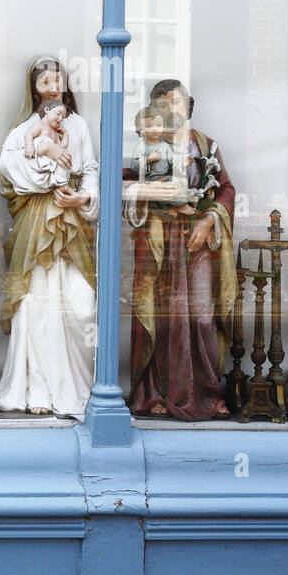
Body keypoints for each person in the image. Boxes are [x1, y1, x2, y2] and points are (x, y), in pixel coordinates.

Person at [0, 56, 99, 416]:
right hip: (37, 225)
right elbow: (10, 167)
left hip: (70, 225)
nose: (54, 88)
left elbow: (90, 170)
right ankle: (37, 389)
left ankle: (75, 387)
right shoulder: (26, 128)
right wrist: (44, 149)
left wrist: (84, 196)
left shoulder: (78, 125)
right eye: (45, 82)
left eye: (59, 81)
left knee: (79, 306)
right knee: (36, 305)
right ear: (33, 88)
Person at [122, 79, 237, 419]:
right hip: (158, 240)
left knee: (201, 317)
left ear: (189, 104)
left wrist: (209, 221)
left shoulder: (206, 145)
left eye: (177, 103)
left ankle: (207, 394)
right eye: (162, 106)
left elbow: (227, 189)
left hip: (199, 240)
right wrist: (152, 195)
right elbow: (126, 185)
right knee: (159, 318)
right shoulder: (148, 144)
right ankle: (153, 394)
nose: (171, 110)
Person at [130, 106, 192, 208]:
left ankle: (177, 205)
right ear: (141, 130)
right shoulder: (141, 146)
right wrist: (148, 159)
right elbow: (134, 166)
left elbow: (173, 161)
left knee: (180, 182)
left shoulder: (165, 145)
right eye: (149, 126)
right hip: (150, 181)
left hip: (165, 177)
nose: (155, 129)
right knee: (160, 190)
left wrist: (182, 163)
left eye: (158, 125)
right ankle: (177, 207)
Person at [24, 99, 72, 190]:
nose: (60, 118)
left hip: (51, 164)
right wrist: (29, 145)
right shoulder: (40, 125)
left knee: (64, 161)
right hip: (39, 160)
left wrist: (65, 134)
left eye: (63, 117)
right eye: (58, 114)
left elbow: (62, 147)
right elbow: (29, 134)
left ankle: (61, 184)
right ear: (47, 110)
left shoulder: (55, 134)